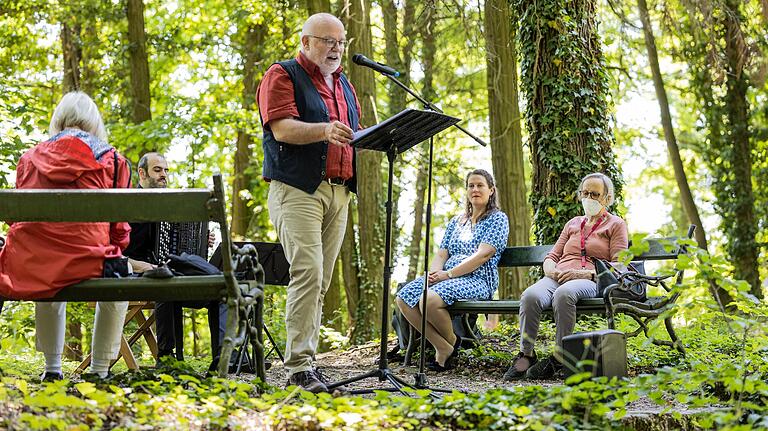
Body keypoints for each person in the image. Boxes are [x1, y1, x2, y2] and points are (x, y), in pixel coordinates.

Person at [257, 12, 361, 393]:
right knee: (308, 270)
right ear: (305, 42)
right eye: (327, 41)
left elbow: (352, 133)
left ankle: (309, 361)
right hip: (298, 189)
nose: (336, 49)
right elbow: (282, 128)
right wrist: (325, 130)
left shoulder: (345, 84)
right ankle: (298, 367)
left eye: (340, 42)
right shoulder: (282, 75)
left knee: (321, 279)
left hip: (339, 191)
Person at [0, 91, 132, 381]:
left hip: (35, 263)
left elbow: (16, 218)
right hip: (91, 259)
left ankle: (52, 367)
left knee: (47, 262)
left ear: (58, 119)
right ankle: (99, 369)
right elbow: (119, 230)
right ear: (94, 122)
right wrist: (113, 247)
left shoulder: (29, 159)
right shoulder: (113, 159)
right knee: (123, 271)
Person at [504, 172, 628, 381]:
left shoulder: (615, 224)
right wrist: (551, 269)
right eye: (585, 193)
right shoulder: (573, 223)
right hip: (558, 275)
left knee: (564, 294)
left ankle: (560, 356)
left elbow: (619, 265)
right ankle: (526, 355)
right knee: (530, 296)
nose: (589, 198)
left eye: (595, 194)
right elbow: (553, 255)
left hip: (590, 278)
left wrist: (585, 273)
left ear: (607, 198)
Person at [124, 152, 229, 370]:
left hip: (167, 272)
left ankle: (224, 358)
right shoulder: (128, 203)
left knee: (219, 286)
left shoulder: (168, 204)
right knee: (166, 281)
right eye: (158, 170)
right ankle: (167, 357)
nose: (164, 175)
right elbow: (113, 253)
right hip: (135, 273)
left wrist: (199, 239)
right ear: (142, 173)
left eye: (166, 170)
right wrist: (144, 266)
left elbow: (178, 245)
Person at [396, 169, 509, 371]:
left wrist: (448, 275)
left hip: (478, 279)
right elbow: (441, 254)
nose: (475, 189)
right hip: (447, 278)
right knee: (404, 297)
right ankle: (444, 346)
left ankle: (452, 342)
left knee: (428, 300)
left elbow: (483, 255)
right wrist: (433, 275)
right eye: (471, 185)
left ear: (491, 190)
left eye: (480, 185)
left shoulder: (497, 219)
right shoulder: (457, 222)